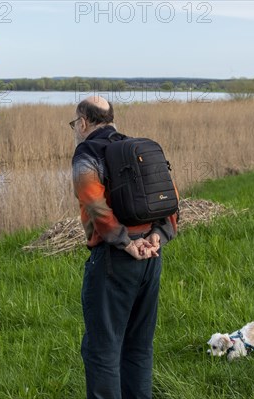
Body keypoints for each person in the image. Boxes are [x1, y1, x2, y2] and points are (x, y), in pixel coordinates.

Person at [71, 96, 177, 398]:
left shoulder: (87, 152)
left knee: (102, 350)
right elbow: (169, 196)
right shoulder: (136, 147)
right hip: (151, 259)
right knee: (139, 346)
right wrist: (159, 235)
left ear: (82, 122)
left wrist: (124, 242)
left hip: (113, 261)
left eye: (74, 124)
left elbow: (93, 202)